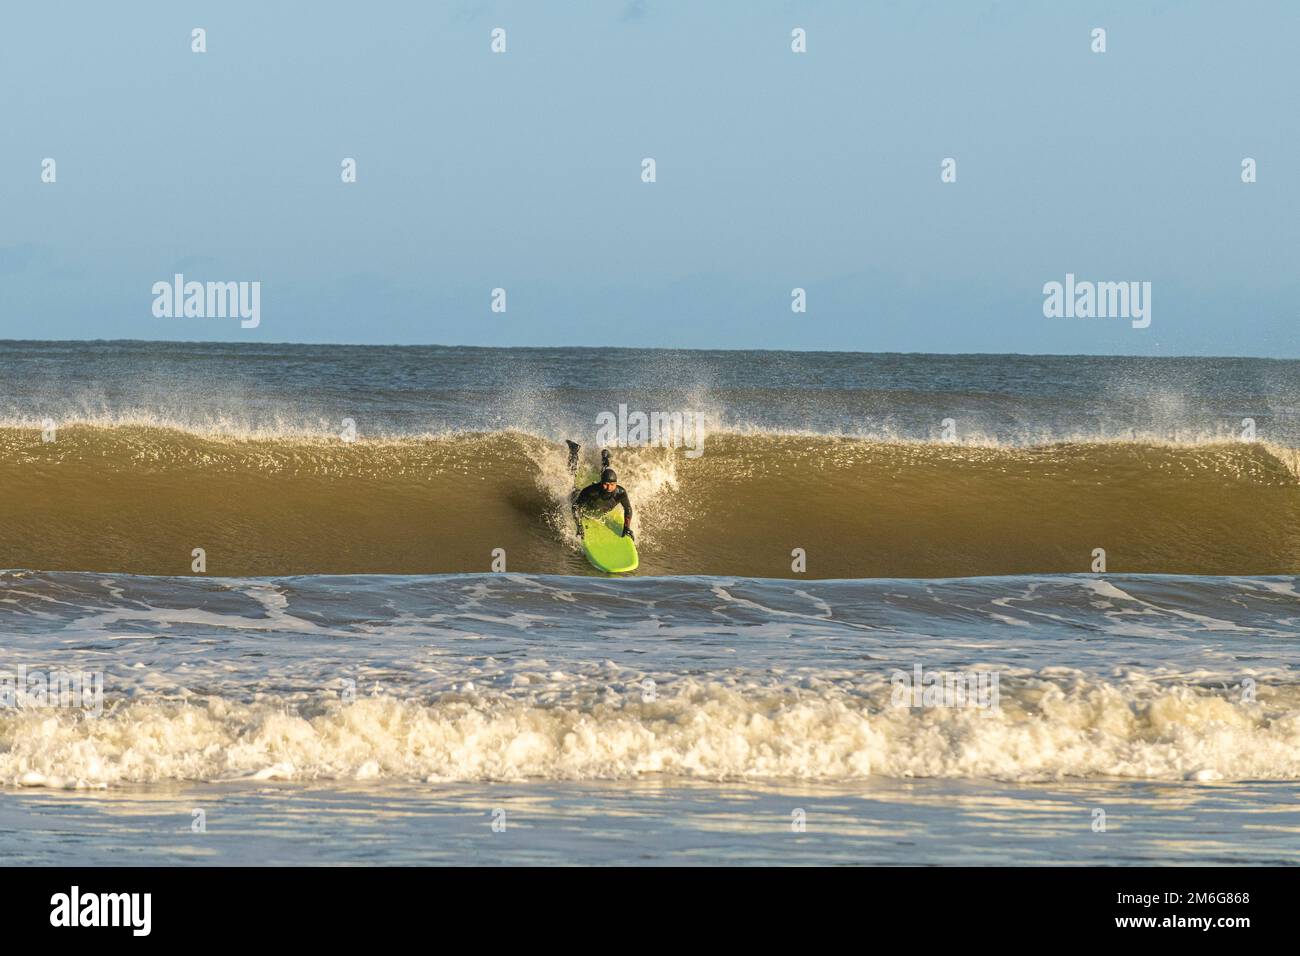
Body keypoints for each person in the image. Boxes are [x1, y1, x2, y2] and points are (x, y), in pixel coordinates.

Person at [571, 465, 634, 540]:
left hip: (598, 511)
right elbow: (575, 507)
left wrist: (627, 528)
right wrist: (579, 526)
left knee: (605, 466)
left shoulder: (621, 493)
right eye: (606, 484)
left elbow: (628, 509)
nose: (609, 487)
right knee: (573, 487)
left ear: (616, 483)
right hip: (577, 498)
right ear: (601, 482)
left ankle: (605, 459)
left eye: (612, 484)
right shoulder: (591, 491)